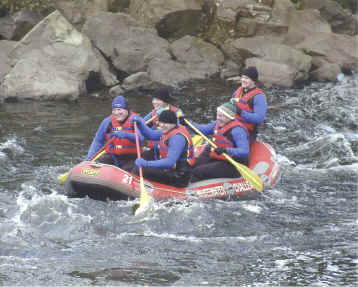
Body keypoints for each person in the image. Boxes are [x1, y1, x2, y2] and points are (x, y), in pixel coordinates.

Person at [131, 110, 195, 187]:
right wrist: (140, 124)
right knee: (144, 156)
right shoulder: (168, 130)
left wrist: (146, 164)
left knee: (139, 169)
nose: (162, 125)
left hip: (179, 177)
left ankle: (134, 188)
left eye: (166, 123)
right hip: (170, 170)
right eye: (161, 122)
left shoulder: (177, 138)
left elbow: (169, 162)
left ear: (174, 123)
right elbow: (150, 135)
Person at [189, 102, 250, 182]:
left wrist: (225, 150)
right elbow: (203, 130)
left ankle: (191, 188)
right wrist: (188, 123)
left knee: (198, 172)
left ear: (229, 117)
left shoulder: (237, 131)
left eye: (221, 116)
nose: (218, 118)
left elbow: (244, 151)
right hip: (217, 156)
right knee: (192, 166)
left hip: (232, 164)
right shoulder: (217, 123)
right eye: (218, 115)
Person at [85, 95, 143, 170]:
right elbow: (97, 141)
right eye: (114, 110)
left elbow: (140, 138)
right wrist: (89, 159)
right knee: (95, 166)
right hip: (112, 157)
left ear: (127, 110)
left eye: (119, 109)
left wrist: (126, 135)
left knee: (130, 170)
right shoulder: (107, 122)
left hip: (131, 158)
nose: (116, 113)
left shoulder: (136, 121)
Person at [230, 66, 267, 142]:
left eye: (246, 78)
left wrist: (240, 112)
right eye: (242, 77)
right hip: (233, 125)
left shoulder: (259, 97)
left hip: (247, 132)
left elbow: (259, 118)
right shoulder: (239, 90)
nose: (243, 80)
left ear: (253, 80)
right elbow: (230, 105)